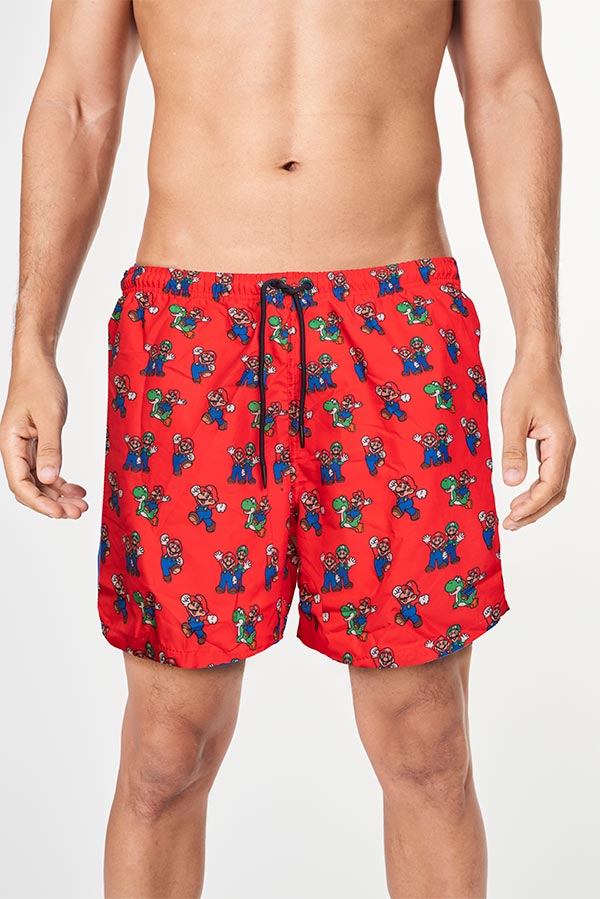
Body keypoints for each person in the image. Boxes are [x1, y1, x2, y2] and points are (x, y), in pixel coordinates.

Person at [0, 2, 576, 897]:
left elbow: (508, 90)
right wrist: (31, 343)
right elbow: (77, 98)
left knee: (427, 742)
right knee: (166, 748)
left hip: (396, 323)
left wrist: (541, 345)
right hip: (190, 330)